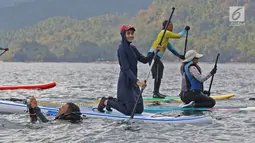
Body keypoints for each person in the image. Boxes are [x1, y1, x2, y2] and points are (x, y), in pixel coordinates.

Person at [97, 24, 161, 115]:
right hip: (125, 83)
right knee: (129, 111)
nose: (131, 35)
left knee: (139, 109)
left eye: (132, 33)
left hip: (133, 84)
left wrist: (154, 51)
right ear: (123, 34)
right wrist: (138, 81)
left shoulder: (133, 48)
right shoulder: (121, 49)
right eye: (128, 33)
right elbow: (126, 69)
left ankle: (113, 100)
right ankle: (106, 102)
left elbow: (144, 60)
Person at [147, 20, 190, 98]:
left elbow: (172, 49)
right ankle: (155, 93)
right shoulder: (164, 32)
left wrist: (180, 56)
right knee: (158, 73)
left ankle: (156, 92)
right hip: (153, 55)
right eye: (171, 25)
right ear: (167, 26)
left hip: (155, 56)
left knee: (159, 72)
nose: (172, 27)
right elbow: (179, 36)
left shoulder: (165, 38)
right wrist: (185, 30)